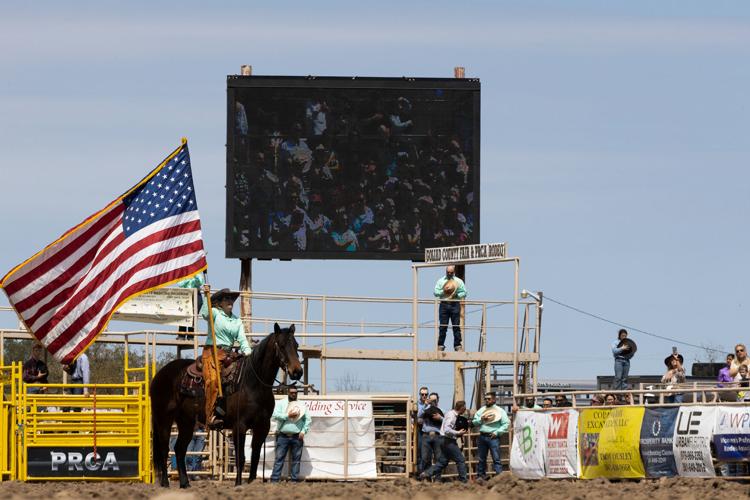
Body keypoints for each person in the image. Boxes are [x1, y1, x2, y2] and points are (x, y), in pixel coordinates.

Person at [201, 286, 253, 429]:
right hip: (212, 352)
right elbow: (205, 314)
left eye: (231, 299)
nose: (230, 301)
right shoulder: (215, 313)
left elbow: (242, 339)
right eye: (227, 299)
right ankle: (210, 416)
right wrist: (206, 295)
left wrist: (248, 352)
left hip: (229, 353)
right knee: (212, 381)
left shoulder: (237, 320)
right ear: (220, 303)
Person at [420, 400, 468, 483]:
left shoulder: (450, 413)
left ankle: (426, 473)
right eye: (465, 408)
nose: (465, 410)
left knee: (443, 462)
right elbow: (446, 429)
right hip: (448, 440)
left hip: (443, 440)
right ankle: (463, 481)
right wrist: (458, 432)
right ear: (462, 408)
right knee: (460, 460)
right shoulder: (452, 416)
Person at [271, 386, 311, 482]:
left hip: (297, 436)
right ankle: (275, 480)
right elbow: (275, 415)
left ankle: (294, 480)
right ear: (288, 393)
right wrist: (287, 415)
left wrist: (303, 431)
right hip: (282, 435)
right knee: (279, 459)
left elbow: (308, 419)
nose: (294, 394)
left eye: (295, 392)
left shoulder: (301, 404)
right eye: (292, 392)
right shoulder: (281, 403)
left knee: (296, 460)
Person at [472, 391, 509, 481]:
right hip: (483, 436)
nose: (487, 400)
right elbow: (474, 422)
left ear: (494, 399)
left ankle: (499, 477)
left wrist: (497, 432)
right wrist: (481, 419)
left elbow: (506, 423)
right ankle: (481, 476)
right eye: (486, 399)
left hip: (493, 436)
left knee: (496, 458)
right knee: (481, 458)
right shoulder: (481, 410)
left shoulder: (500, 411)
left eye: (489, 399)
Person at [433, 265, 467, 351]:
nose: (449, 274)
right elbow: (436, 292)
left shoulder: (458, 281)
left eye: (451, 273)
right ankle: (440, 345)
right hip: (444, 304)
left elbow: (464, 292)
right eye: (448, 272)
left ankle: (457, 345)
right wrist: (444, 291)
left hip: (455, 304)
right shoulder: (441, 281)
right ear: (445, 271)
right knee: (443, 326)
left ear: (454, 272)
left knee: (456, 326)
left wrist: (456, 294)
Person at [175, 272, 205, 340]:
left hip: (196, 294)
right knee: (183, 314)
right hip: (185, 294)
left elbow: (200, 282)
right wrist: (190, 278)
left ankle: (191, 336)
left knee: (193, 316)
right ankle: (181, 335)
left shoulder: (197, 272)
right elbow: (180, 284)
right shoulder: (183, 271)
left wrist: (193, 276)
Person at [420, 393, 444, 473]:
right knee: (425, 458)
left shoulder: (441, 410)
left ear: (438, 400)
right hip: (426, 435)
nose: (433, 402)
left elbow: (447, 422)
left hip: (437, 436)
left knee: (438, 457)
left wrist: (440, 418)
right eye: (431, 400)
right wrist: (425, 405)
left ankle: (438, 479)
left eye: (434, 400)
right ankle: (427, 478)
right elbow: (418, 415)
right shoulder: (425, 409)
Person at [415, 386, 429, 474]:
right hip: (420, 429)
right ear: (420, 395)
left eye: (426, 394)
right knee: (419, 450)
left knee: (429, 452)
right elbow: (418, 416)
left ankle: (427, 472)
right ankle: (420, 471)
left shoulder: (430, 404)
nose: (424, 396)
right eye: (422, 394)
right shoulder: (417, 404)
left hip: (429, 429)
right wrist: (425, 406)